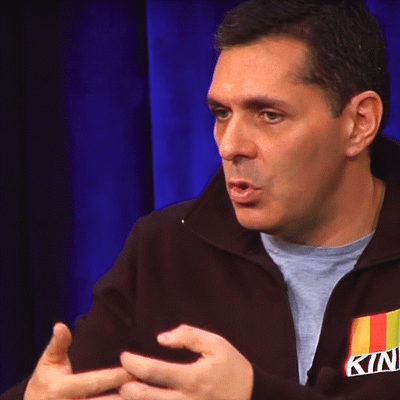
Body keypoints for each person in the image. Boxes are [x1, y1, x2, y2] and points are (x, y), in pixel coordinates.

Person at [2, 0, 400, 398]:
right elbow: (66, 386)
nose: (230, 146)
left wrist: (252, 394)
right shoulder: (163, 251)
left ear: (359, 123)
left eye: (268, 115)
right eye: (222, 113)